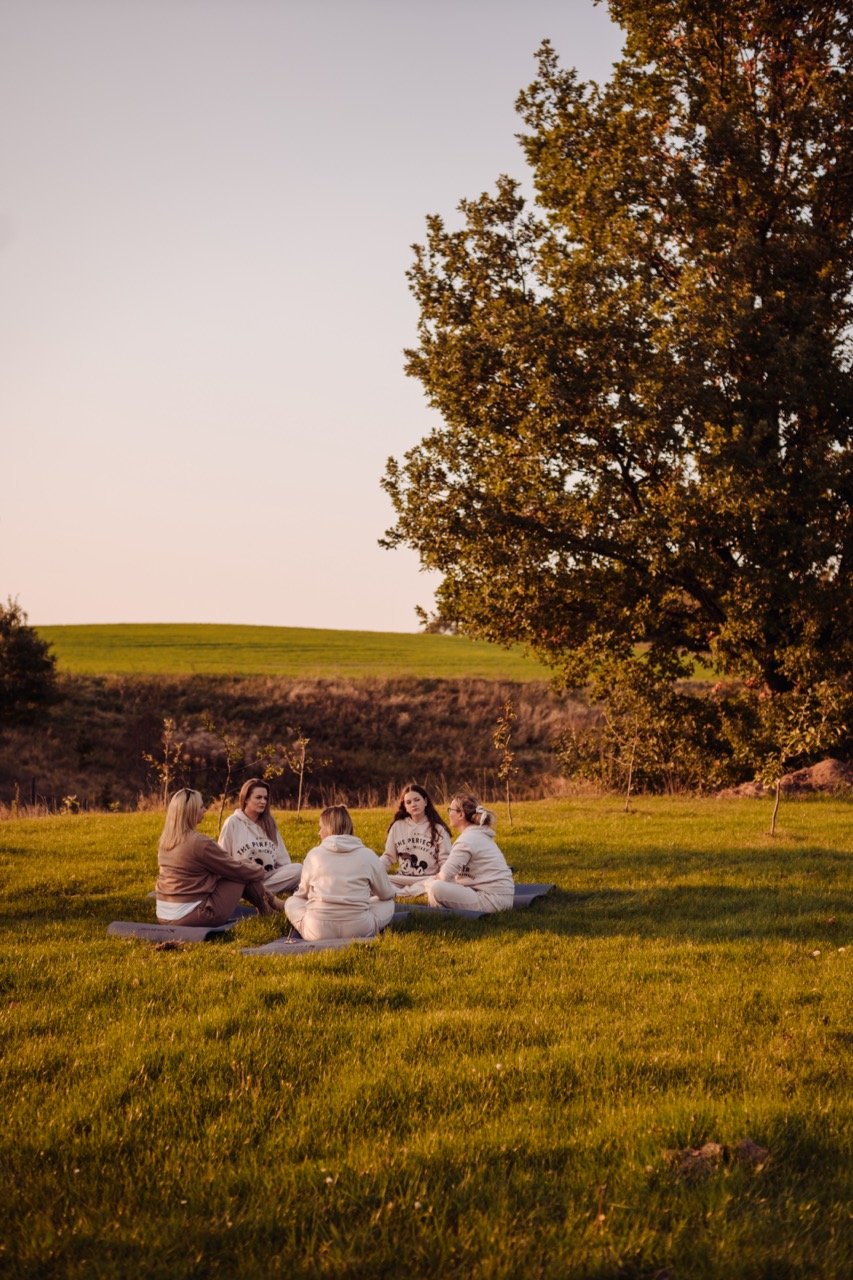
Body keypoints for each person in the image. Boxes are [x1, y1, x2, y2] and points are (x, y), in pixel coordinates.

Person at [155, 787, 285, 925]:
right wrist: (258, 870)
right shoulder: (199, 843)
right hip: (193, 916)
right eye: (201, 807)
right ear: (191, 811)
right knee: (240, 873)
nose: (205, 810)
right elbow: (235, 869)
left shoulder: (166, 841)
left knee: (238, 869)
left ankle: (269, 905)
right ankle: (270, 906)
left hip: (164, 916)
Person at [285, 804, 396, 941]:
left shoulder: (314, 855)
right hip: (360, 929)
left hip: (317, 931)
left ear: (329, 828)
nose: (319, 833)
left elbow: (302, 894)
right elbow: (386, 894)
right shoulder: (368, 855)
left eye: (321, 827)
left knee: (291, 901)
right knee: (388, 902)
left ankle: (305, 926)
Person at [427, 794, 515, 913]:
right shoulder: (477, 835)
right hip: (502, 899)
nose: (449, 813)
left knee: (434, 887)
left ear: (461, 814)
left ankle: (438, 912)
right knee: (437, 884)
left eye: (450, 810)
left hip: (491, 900)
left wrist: (428, 882)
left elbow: (445, 875)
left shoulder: (467, 840)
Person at [219, 778, 302, 894]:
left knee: (299, 869)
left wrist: (291, 876)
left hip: (268, 878)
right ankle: (251, 892)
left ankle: (256, 892)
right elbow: (222, 858)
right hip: (243, 880)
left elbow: (283, 860)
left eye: (265, 798)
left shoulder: (269, 823)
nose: (263, 801)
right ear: (246, 799)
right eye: (258, 797)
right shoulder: (232, 822)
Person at [381, 782, 452, 894]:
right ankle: (407, 892)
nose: (413, 804)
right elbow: (388, 857)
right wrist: (373, 870)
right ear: (405, 806)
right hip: (401, 879)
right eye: (408, 802)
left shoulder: (438, 829)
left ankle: (399, 893)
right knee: (375, 882)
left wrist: (442, 879)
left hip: (428, 879)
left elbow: (445, 860)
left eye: (417, 800)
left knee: (435, 885)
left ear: (425, 801)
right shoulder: (397, 826)